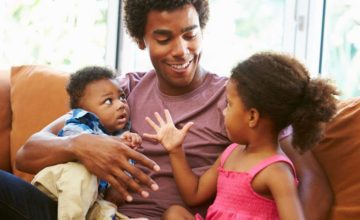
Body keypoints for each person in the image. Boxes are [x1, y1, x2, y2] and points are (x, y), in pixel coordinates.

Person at [0, 1, 332, 219]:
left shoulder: (239, 101)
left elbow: (313, 182)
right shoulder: (121, 90)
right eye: (163, 38)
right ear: (141, 39)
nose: (181, 50)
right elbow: (28, 153)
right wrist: (80, 145)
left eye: (190, 34)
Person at [144, 52, 338, 220]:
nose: (223, 111)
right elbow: (193, 194)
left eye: (229, 104)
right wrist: (176, 150)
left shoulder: (277, 171)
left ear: (252, 116)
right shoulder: (231, 153)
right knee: (174, 213)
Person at [30, 66, 141, 219]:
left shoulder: (121, 134)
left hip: (88, 199)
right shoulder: (78, 124)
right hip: (58, 185)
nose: (121, 104)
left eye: (122, 97)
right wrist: (115, 142)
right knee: (81, 173)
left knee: (104, 207)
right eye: (109, 101)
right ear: (85, 110)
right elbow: (88, 143)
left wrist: (129, 148)